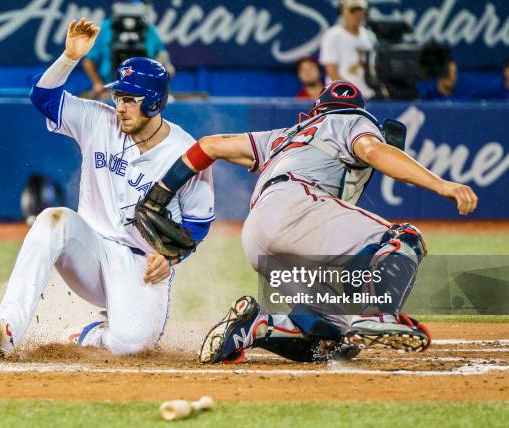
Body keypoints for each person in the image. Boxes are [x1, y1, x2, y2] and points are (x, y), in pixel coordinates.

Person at [136, 80, 478, 364]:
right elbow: (373, 152)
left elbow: (210, 145)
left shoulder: (286, 135)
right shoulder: (352, 119)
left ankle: (256, 327)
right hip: (298, 208)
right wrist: (442, 185)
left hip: (257, 234)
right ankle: (379, 315)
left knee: (335, 339)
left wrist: (164, 189)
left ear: (315, 110)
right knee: (403, 239)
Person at [0, 18, 214, 358]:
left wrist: (173, 255)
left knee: (131, 346)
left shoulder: (183, 153)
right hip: (89, 249)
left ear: (155, 103)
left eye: (131, 99)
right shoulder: (98, 120)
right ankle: (8, 328)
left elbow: (199, 221)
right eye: (118, 96)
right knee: (52, 218)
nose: (120, 106)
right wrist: (70, 58)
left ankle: (90, 333)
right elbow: (43, 97)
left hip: (141, 265)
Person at [83, 0, 175, 98]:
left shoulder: (149, 29)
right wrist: (98, 84)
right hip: (109, 91)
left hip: (143, 92)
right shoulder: (105, 28)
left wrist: (158, 80)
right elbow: (88, 61)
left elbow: (166, 64)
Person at [319, 0, 375, 99]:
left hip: (368, 95)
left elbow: (373, 68)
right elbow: (331, 70)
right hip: (340, 96)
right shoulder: (333, 35)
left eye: (360, 11)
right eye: (352, 11)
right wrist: (348, 93)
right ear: (343, 12)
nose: (357, 15)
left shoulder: (370, 36)